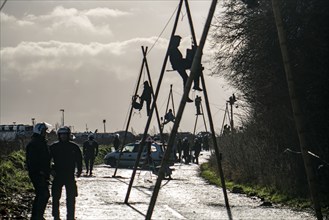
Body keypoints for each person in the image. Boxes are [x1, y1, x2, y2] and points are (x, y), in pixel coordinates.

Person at [50, 126, 82, 220]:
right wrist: (50, 170)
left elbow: (79, 160)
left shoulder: (74, 147)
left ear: (68, 135)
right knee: (55, 197)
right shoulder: (54, 147)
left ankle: (70, 216)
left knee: (71, 198)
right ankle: (56, 216)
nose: (63, 136)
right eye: (61, 134)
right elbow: (47, 159)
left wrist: (79, 170)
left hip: (69, 176)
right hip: (58, 175)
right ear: (59, 135)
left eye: (65, 134)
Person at [26, 122, 51, 220]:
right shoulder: (35, 143)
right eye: (44, 131)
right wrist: (40, 171)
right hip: (38, 173)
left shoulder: (40, 142)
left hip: (41, 173)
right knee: (44, 194)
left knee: (40, 194)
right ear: (39, 131)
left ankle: (36, 216)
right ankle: (38, 216)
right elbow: (33, 160)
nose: (45, 133)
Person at [168, 35, 202, 102]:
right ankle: (195, 85)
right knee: (197, 66)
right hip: (179, 64)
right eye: (178, 41)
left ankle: (187, 94)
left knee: (186, 78)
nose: (179, 43)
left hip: (179, 64)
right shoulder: (173, 49)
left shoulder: (173, 49)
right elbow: (176, 60)